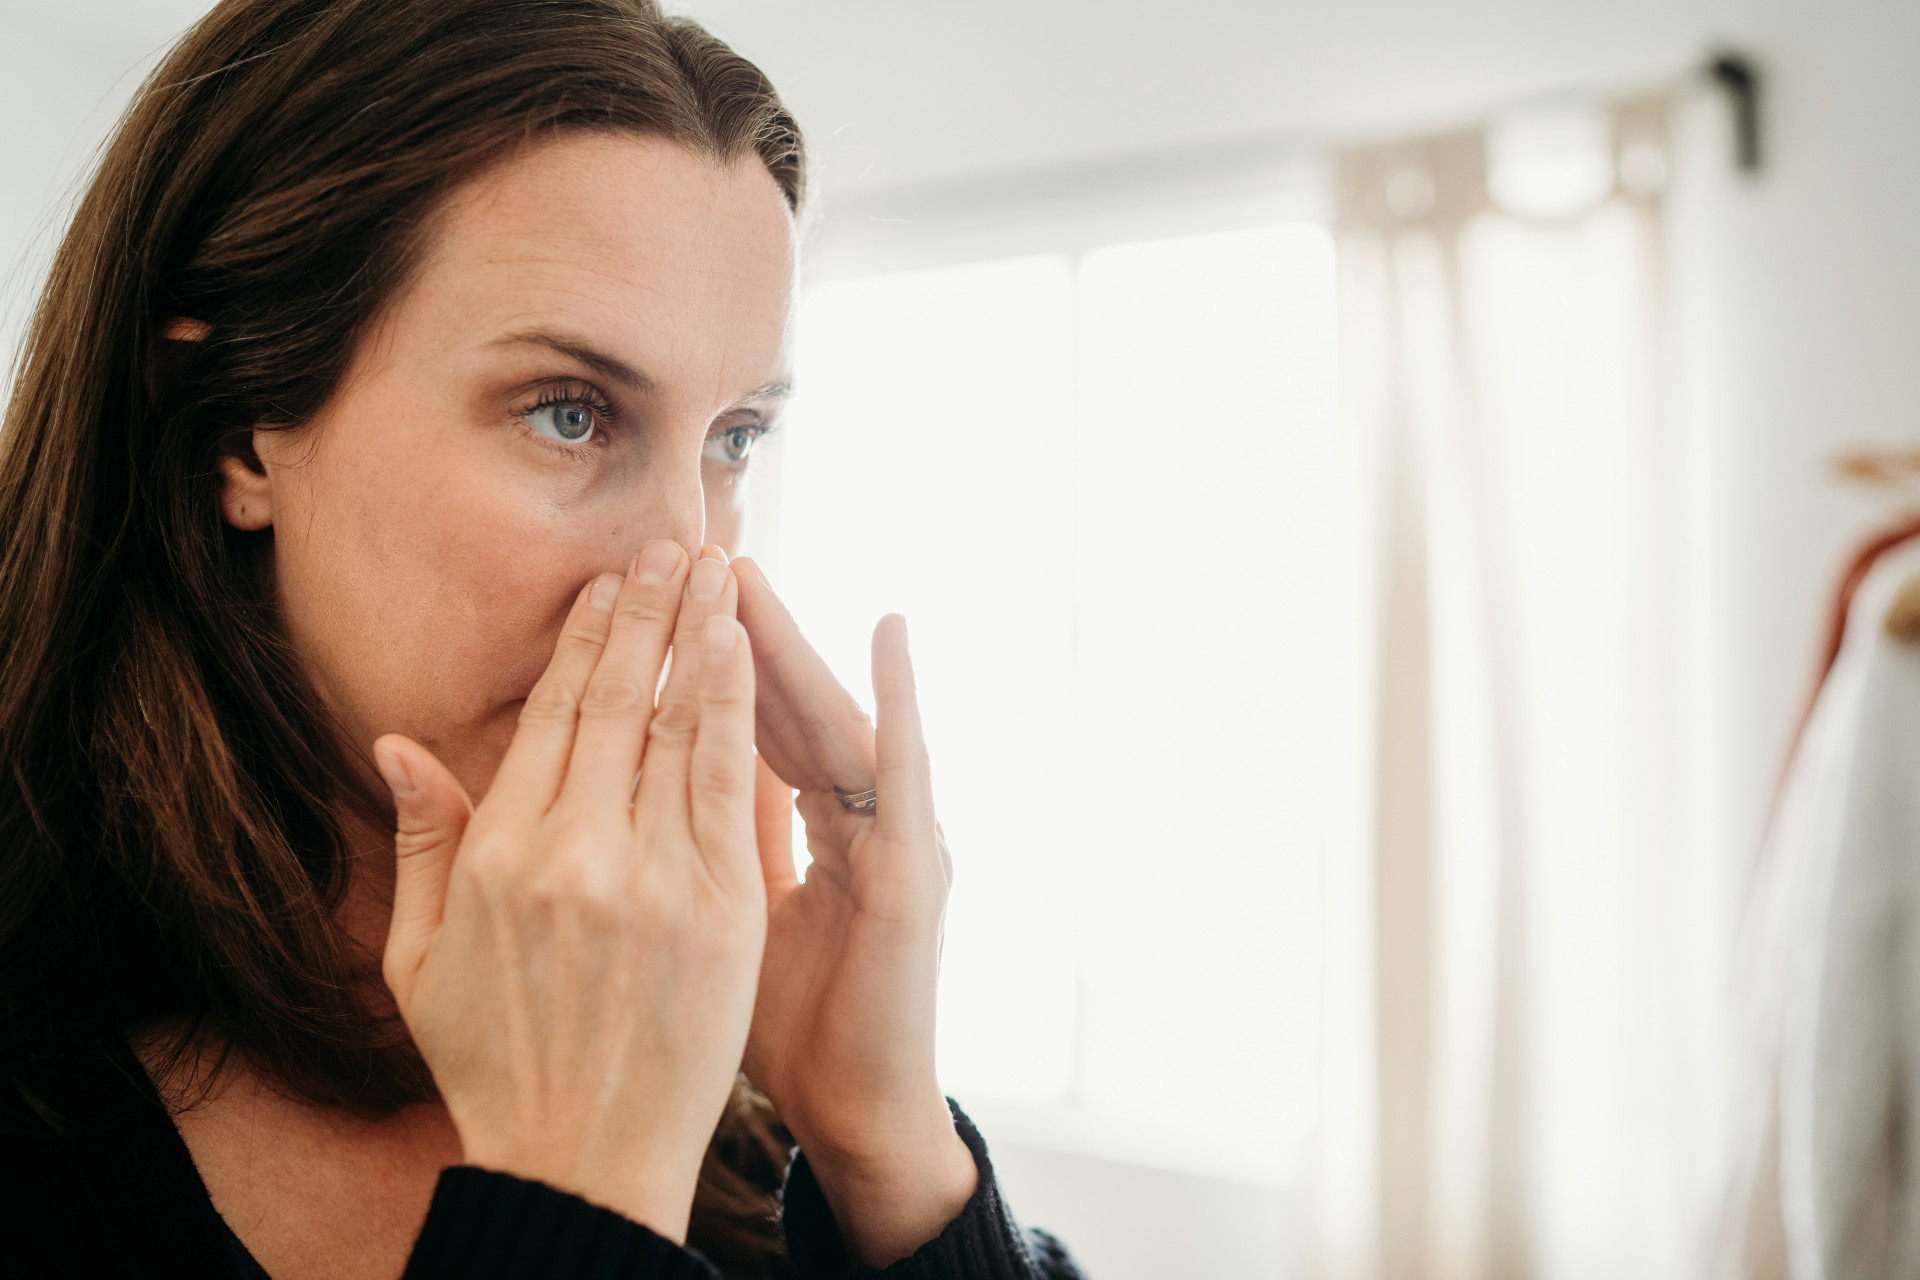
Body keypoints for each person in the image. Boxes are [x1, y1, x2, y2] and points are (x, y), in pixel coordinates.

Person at [0, 1, 1082, 1276]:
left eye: (734, 437)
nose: (686, 556)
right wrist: (572, 1202)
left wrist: (887, 1148)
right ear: (234, 432)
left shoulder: (735, 1102)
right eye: (569, 412)